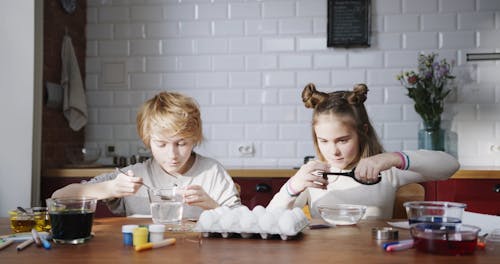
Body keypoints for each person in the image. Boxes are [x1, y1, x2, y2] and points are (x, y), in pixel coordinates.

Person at [267, 83, 460, 219]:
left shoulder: (386, 171)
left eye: (342, 140)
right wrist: (292, 187)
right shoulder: (314, 176)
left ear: (363, 132)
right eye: (323, 141)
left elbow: (450, 165)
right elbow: (269, 220)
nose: (333, 151)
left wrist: (393, 158)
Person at [52, 91, 241, 218]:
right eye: (161, 144)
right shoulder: (134, 175)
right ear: (147, 141)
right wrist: (110, 188)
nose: (172, 154)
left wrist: (212, 206)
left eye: (181, 143)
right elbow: (58, 198)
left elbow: (244, 224)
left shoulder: (212, 172)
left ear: (194, 138)